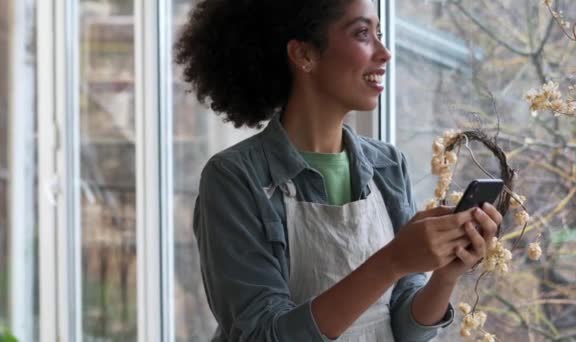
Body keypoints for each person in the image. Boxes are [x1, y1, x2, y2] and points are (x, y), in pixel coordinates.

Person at [174, 0, 502, 341]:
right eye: (362, 34)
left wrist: (446, 276)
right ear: (304, 55)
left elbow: (405, 330)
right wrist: (392, 261)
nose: (385, 52)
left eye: (379, 33)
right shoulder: (235, 179)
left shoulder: (386, 166)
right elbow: (262, 335)